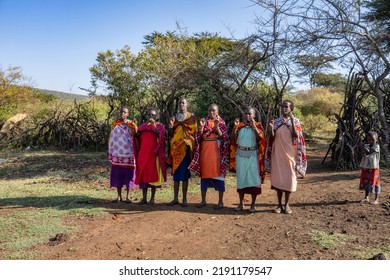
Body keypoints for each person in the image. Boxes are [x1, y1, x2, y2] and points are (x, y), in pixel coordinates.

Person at [265, 100, 307, 214]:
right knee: (278, 179)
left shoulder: (296, 121)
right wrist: (270, 130)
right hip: (278, 153)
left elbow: (296, 135)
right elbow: (272, 138)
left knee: (289, 178)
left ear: (291, 109)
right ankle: (279, 205)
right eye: (282, 106)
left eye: (286, 107)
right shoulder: (276, 122)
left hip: (290, 154)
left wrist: (292, 121)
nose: (284, 108)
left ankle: (287, 204)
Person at [189, 104, 229, 210]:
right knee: (204, 175)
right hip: (205, 152)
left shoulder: (221, 122)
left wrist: (216, 128)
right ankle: (203, 200)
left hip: (217, 152)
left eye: (214, 110)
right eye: (210, 110)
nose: (211, 112)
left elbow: (224, 137)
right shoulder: (204, 121)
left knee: (219, 176)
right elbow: (198, 136)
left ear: (217, 112)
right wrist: (201, 128)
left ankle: (220, 202)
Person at [230, 107, 266, 213]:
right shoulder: (240, 126)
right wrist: (234, 127)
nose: (247, 116)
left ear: (254, 115)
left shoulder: (258, 126)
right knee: (241, 180)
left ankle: (253, 205)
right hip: (240, 155)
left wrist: (253, 125)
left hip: (252, 155)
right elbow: (233, 139)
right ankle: (241, 203)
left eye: (250, 114)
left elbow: (260, 138)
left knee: (253, 179)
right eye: (246, 114)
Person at [167, 97, 197, 207]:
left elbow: (194, 132)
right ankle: (175, 198)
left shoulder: (191, 117)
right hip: (176, 148)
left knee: (184, 175)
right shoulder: (174, 117)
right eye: (180, 103)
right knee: (175, 175)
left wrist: (187, 141)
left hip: (185, 148)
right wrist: (170, 127)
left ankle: (184, 199)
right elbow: (170, 134)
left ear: (187, 104)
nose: (181, 104)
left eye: (183, 103)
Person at [135, 108, 167, 205]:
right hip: (143, 155)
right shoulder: (143, 126)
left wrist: (153, 126)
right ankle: (144, 198)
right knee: (143, 176)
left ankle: (152, 198)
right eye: (149, 115)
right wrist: (134, 127)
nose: (151, 116)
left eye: (153, 115)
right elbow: (136, 136)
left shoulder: (160, 126)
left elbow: (160, 136)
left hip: (154, 155)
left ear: (156, 116)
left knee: (154, 177)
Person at [108, 106, 138, 203]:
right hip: (117, 154)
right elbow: (111, 137)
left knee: (129, 175)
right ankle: (119, 196)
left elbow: (136, 136)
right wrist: (110, 150)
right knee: (117, 174)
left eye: (125, 112)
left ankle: (128, 196)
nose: (122, 114)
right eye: (121, 112)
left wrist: (135, 126)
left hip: (129, 154)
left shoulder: (131, 124)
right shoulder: (115, 124)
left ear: (127, 114)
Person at [359, 131, 381, 205]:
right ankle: (366, 197)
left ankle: (376, 199)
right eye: (369, 140)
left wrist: (362, 146)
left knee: (375, 183)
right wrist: (362, 146)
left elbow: (368, 152)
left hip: (374, 168)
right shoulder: (367, 145)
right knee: (366, 181)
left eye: (372, 140)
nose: (370, 141)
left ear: (376, 140)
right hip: (366, 167)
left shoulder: (376, 146)